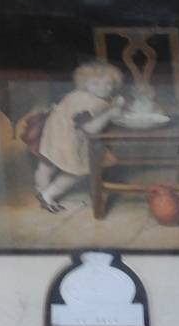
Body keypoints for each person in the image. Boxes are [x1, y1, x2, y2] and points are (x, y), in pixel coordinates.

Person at [35, 61, 124, 212]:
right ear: (85, 84)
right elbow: (91, 128)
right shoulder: (85, 103)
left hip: (56, 133)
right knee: (77, 171)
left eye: (108, 84)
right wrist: (111, 113)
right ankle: (47, 195)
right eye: (95, 84)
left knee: (47, 164)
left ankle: (41, 191)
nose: (102, 88)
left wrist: (112, 106)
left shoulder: (88, 96)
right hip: (65, 139)